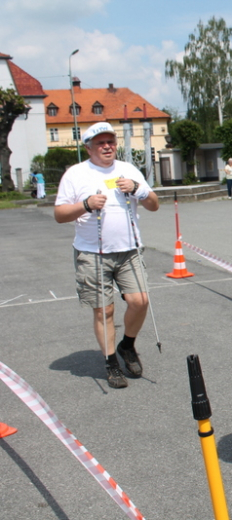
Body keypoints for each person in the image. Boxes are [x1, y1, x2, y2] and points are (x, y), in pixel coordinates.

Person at [54, 122, 160, 389]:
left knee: (140, 300)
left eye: (110, 141)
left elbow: (154, 205)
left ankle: (127, 345)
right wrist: (86, 205)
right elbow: (59, 215)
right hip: (92, 253)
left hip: (128, 250)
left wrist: (139, 188)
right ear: (88, 147)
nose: (107, 146)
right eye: (100, 143)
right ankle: (111, 361)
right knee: (105, 310)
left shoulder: (128, 170)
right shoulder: (75, 174)